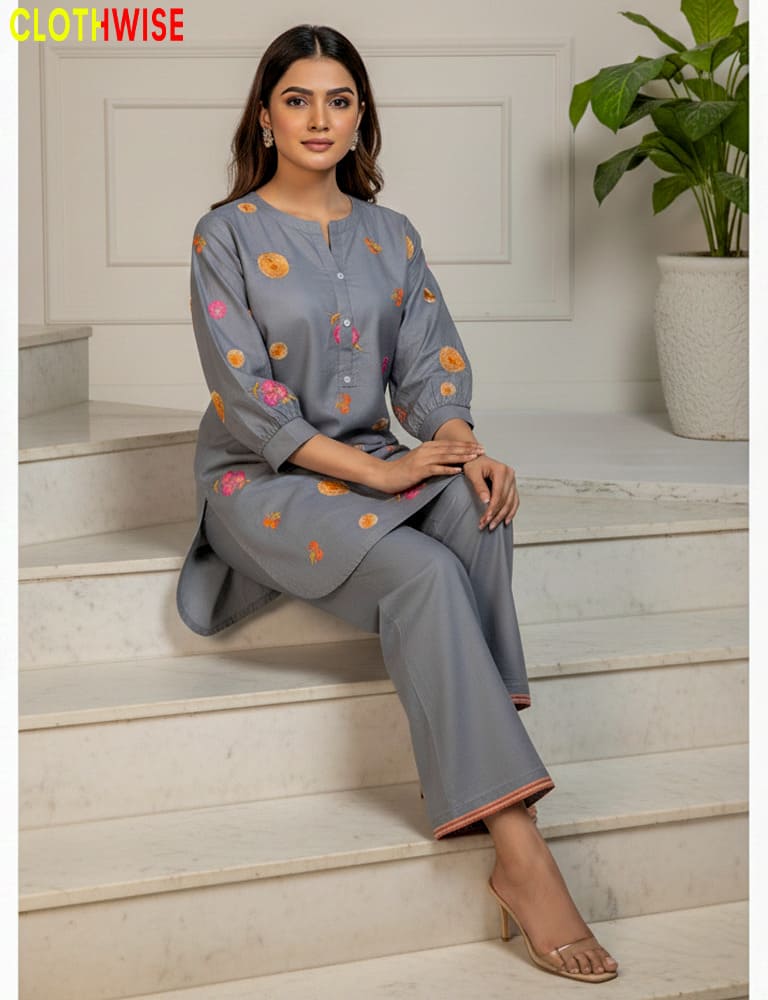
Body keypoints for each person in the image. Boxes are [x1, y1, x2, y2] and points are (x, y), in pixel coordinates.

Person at [175, 23, 618, 983]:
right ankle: (522, 851)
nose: (319, 118)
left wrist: (459, 446)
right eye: (297, 99)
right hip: (265, 480)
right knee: (424, 574)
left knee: (480, 504)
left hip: (373, 459)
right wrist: (378, 474)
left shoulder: (392, 236)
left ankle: (485, 766)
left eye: (339, 100)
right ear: (265, 116)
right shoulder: (226, 234)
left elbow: (428, 367)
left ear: (361, 116)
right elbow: (248, 398)